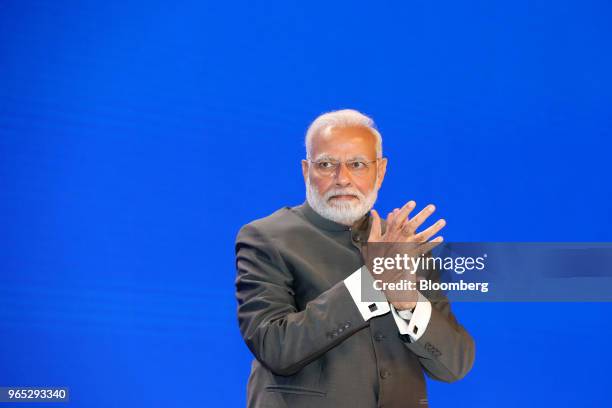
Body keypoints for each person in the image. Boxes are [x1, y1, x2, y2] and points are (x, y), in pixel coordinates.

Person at [235, 109, 475, 408]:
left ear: (381, 170)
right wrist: (371, 283)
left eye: (357, 164)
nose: (342, 179)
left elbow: (454, 365)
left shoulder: (403, 245)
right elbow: (275, 347)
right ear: (305, 170)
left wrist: (409, 303)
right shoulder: (266, 237)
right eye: (326, 164)